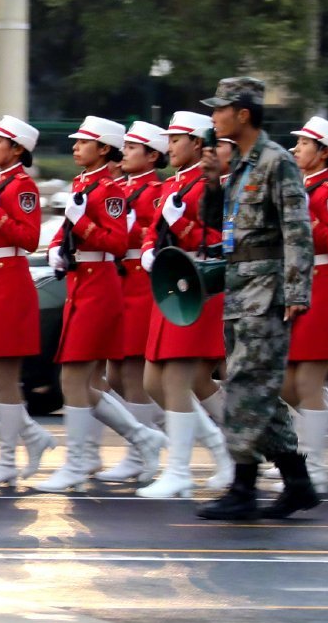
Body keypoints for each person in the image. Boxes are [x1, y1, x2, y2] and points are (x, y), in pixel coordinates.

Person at [194, 77, 317, 521]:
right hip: (239, 286)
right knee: (256, 387)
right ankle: (297, 480)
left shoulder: (275, 161)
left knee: (247, 384)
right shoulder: (241, 165)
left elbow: (298, 230)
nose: (213, 117)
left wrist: (297, 291)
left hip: (266, 291)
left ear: (242, 113)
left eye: (220, 109)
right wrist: (212, 183)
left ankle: (243, 486)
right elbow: (219, 225)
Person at [37, 116, 164, 492]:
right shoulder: (84, 183)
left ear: (102, 149)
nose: (75, 147)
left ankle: (81, 461)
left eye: (83, 143)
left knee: (75, 377)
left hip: (101, 285)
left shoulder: (108, 189)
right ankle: (139, 440)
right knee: (90, 379)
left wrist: (84, 227)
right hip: (83, 283)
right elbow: (75, 231)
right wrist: (60, 246)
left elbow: (114, 242)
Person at [134, 111, 235, 498]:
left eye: (177, 139)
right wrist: (148, 251)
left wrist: (184, 228)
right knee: (153, 380)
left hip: (197, 285)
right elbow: (154, 230)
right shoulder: (170, 185)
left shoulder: (210, 184)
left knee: (176, 377)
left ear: (197, 144)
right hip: (171, 284)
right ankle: (228, 448)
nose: (170, 146)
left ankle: (179, 471)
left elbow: (220, 237)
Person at [0, 116, 58, 487]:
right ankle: (32, 435)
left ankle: (7, 457)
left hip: (9, 282)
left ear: (17, 148)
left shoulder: (22, 186)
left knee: (3, 376)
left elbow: (29, 236)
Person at [284, 116, 328, 489]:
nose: (296, 149)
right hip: (297, 285)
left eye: (305, 144)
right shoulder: (301, 186)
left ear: (324, 152)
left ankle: (312, 469)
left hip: (323, 288)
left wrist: (303, 217)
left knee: (308, 383)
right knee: (286, 384)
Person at [97, 120, 168, 484]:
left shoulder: (155, 191)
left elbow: (157, 230)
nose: (123, 153)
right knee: (115, 374)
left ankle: (140, 452)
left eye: (132, 148)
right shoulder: (120, 188)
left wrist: (131, 230)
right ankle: (151, 437)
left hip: (140, 281)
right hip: (118, 279)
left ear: (153, 155)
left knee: (131, 372)